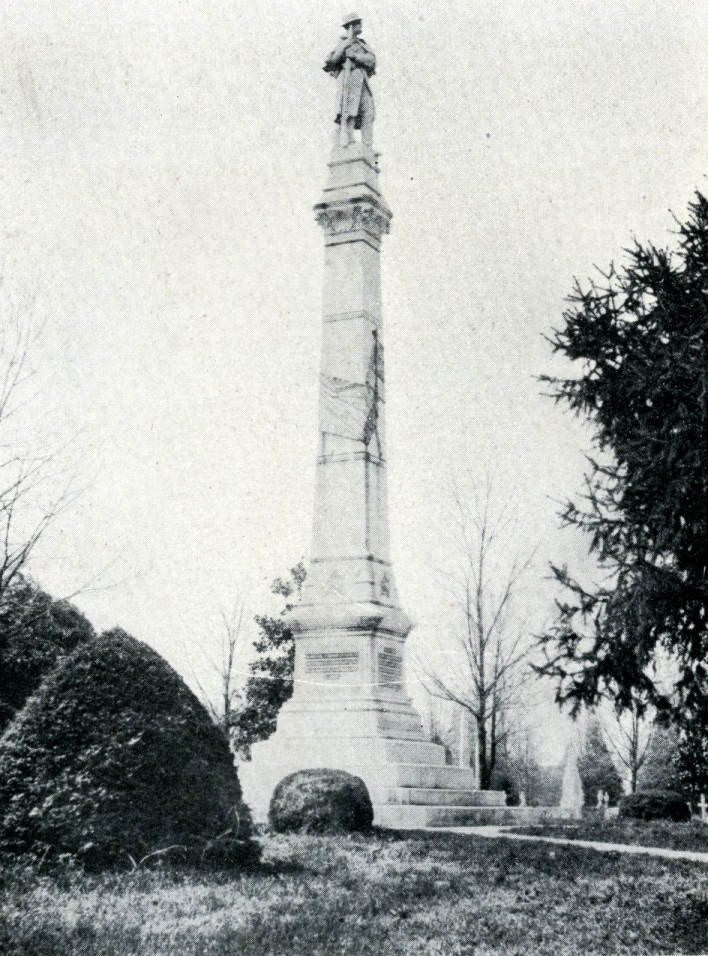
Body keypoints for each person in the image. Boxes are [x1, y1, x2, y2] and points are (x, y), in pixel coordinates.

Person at [324, 14, 376, 147]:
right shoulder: (342, 43)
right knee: (349, 110)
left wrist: (355, 56)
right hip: (349, 79)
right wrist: (344, 47)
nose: (361, 26)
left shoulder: (362, 44)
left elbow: (371, 60)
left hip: (362, 79)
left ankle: (367, 145)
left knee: (368, 112)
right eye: (358, 23)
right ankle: (349, 139)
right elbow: (331, 61)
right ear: (351, 26)